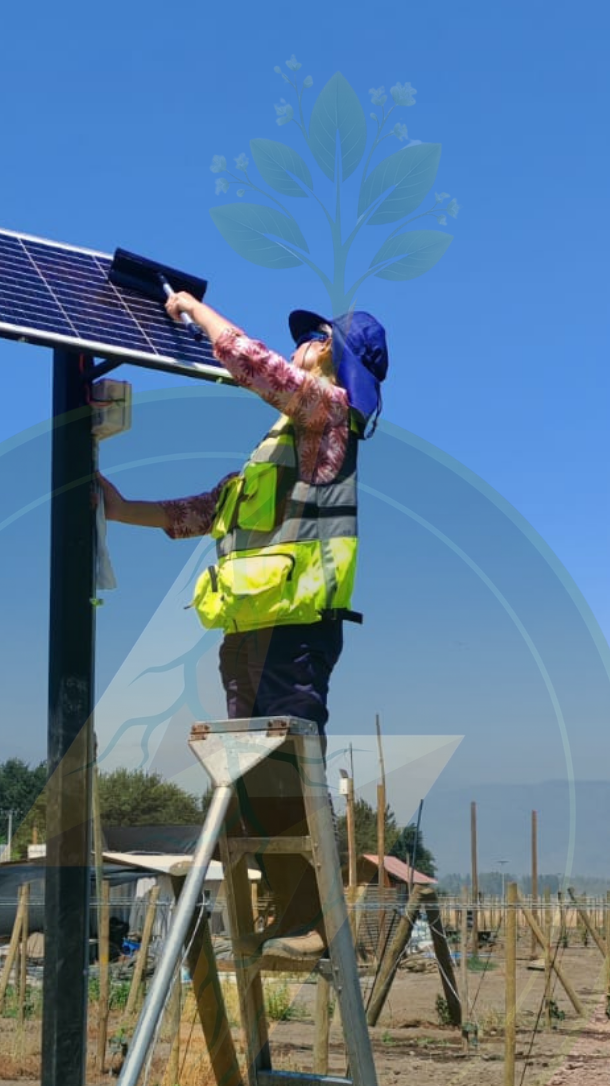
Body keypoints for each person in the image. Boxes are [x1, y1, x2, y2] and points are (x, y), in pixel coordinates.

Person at [99, 293, 388, 961]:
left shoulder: (330, 417)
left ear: (339, 363)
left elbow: (257, 367)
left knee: (288, 772)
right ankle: (287, 917)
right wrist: (120, 509)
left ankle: (317, 922)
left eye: (316, 340)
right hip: (249, 640)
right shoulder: (277, 449)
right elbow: (204, 510)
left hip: (298, 631)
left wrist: (197, 314)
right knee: (255, 781)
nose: (301, 346)